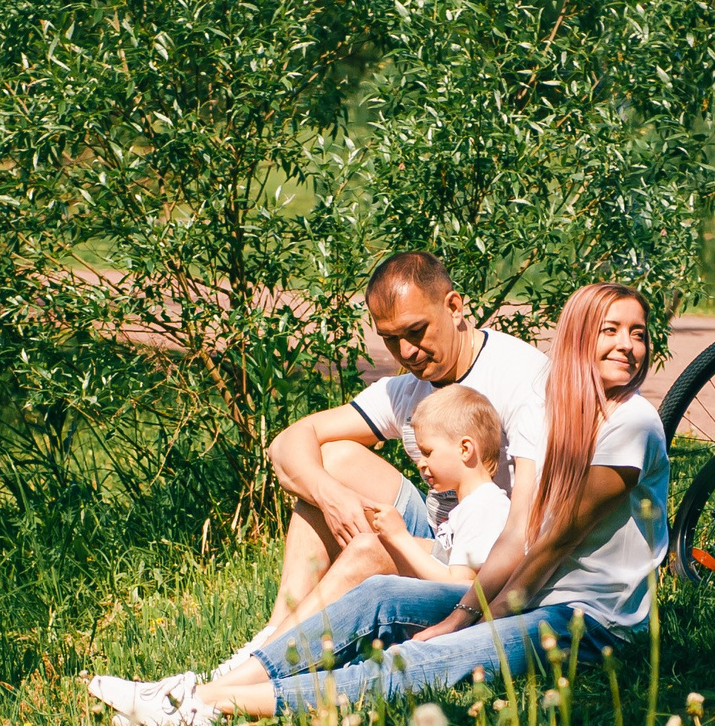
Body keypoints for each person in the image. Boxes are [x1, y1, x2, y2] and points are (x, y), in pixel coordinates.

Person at [92, 283, 665, 726]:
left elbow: (552, 540)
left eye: (638, 333)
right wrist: (463, 610)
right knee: (379, 594)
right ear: (576, 339)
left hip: (590, 621)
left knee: (427, 661)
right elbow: (520, 536)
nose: (628, 346)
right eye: (611, 331)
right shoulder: (561, 412)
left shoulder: (632, 423)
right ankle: (200, 686)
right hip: (530, 589)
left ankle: (209, 708)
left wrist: (460, 621)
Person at [91, 385, 511, 721]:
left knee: (375, 569)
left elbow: (462, 587)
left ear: (466, 449)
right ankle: (224, 680)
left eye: (428, 453)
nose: (420, 464)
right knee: (365, 540)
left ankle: (205, 694)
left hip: (465, 614)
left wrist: (400, 539)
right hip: (448, 595)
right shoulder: (468, 505)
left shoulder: (487, 507)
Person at [226, 250, 548, 667]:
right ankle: (274, 632)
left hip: (489, 560)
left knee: (371, 550)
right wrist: (330, 496)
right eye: (391, 339)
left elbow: (534, 520)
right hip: (445, 538)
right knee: (331, 460)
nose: (407, 352)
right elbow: (289, 443)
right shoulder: (408, 389)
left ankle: (267, 665)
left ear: (454, 306)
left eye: (416, 331)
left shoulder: (519, 376)